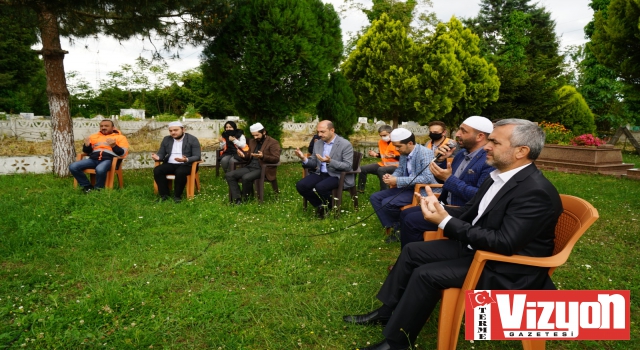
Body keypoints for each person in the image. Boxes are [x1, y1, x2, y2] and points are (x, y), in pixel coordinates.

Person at [343, 119, 563, 350]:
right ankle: (387, 312)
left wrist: (445, 222)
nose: (487, 146)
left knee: (426, 274)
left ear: (521, 151)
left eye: (495, 141)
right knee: (412, 251)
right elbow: (471, 211)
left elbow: (505, 243)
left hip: (507, 268)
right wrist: (438, 208)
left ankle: (395, 343)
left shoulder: (535, 192)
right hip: (480, 251)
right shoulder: (497, 177)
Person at [398, 116, 496, 247]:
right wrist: (440, 161)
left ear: (479, 136)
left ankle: (415, 256)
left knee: (411, 220)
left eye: (463, 131)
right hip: (444, 203)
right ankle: (414, 252)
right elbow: (444, 180)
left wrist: (449, 179)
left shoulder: (488, 161)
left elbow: (479, 196)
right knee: (405, 213)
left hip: (463, 212)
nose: (457, 134)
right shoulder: (461, 154)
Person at [369, 128, 436, 239]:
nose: (396, 149)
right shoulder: (405, 152)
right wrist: (392, 176)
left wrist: (398, 181)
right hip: (408, 187)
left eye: (398, 146)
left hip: (422, 190)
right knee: (375, 197)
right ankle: (393, 227)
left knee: (388, 203)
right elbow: (400, 169)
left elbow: (427, 178)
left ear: (410, 143)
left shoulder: (425, 153)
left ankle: (400, 228)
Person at [294, 120, 354, 219]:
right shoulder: (318, 144)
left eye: (322, 132)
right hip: (320, 173)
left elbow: (348, 166)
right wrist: (303, 158)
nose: (319, 134)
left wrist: (330, 162)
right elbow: (313, 162)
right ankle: (320, 206)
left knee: (320, 187)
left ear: (332, 130)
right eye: (318, 132)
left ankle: (331, 207)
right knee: (301, 185)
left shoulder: (345, 144)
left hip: (336, 175)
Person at [226, 122, 281, 204]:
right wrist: (243, 155)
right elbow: (249, 156)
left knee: (246, 177)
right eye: (253, 135)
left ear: (264, 132)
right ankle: (238, 199)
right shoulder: (252, 141)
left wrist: (263, 156)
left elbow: (276, 158)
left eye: (257, 135)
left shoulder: (273, 142)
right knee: (229, 175)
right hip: (250, 166)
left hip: (263, 168)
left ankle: (246, 199)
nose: (255, 137)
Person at [69, 119, 129, 193]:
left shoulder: (120, 137)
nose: (103, 127)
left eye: (106, 126)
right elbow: (87, 152)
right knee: (73, 166)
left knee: (100, 169)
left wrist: (114, 146)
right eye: (101, 126)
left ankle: (98, 189)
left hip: (109, 161)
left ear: (113, 128)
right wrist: (87, 146)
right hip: (93, 160)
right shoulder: (93, 136)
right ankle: (87, 187)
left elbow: (123, 153)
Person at [152, 121, 202, 203]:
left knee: (180, 172)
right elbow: (161, 153)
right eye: (171, 131)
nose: (173, 132)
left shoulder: (192, 139)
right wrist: (158, 157)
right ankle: (164, 195)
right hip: (171, 164)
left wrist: (186, 159)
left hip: (187, 165)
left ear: (183, 129)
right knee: (157, 170)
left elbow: (197, 156)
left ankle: (177, 196)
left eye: (175, 130)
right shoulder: (166, 139)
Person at [357, 125, 400, 193]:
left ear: (391, 133)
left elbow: (405, 157)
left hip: (397, 166)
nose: (383, 137)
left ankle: (384, 192)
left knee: (381, 170)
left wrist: (394, 156)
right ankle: (360, 190)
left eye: (384, 135)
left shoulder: (398, 142)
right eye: (381, 136)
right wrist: (376, 154)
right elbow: (384, 154)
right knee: (363, 168)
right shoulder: (381, 142)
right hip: (384, 164)